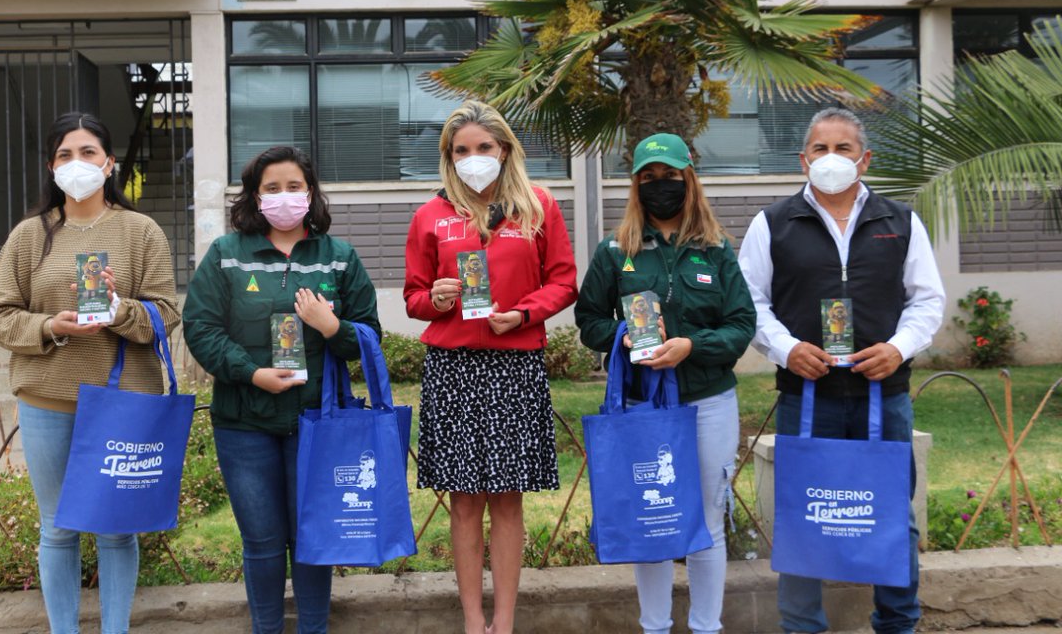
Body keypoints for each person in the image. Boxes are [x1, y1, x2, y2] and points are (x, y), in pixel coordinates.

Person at [737, 107, 945, 634]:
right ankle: (802, 627)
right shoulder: (773, 224)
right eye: (821, 149)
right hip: (808, 397)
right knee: (804, 514)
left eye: (844, 148)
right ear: (802, 159)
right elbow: (750, 302)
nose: (832, 159)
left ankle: (898, 624)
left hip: (884, 396)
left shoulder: (900, 221)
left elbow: (927, 301)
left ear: (865, 158)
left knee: (894, 515)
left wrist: (897, 348)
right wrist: (786, 350)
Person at [0, 111, 179, 634]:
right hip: (47, 400)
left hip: (123, 401)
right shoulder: (29, 236)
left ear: (110, 163)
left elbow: (166, 313)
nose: (77, 163)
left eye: (88, 152)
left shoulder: (141, 232)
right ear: (51, 167)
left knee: (116, 529)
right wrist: (51, 326)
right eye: (65, 154)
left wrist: (118, 310)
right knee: (58, 527)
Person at [182, 145, 380, 634]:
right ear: (255, 196)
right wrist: (251, 373)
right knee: (264, 542)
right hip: (244, 422)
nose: (284, 197)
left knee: (312, 536)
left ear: (310, 193)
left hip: (317, 423)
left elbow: (368, 337)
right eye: (272, 188)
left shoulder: (338, 257)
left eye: (294, 187)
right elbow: (201, 328)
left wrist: (332, 326)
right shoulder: (227, 255)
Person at [403, 100, 578, 634]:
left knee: (506, 501)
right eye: (461, 150)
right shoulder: (429, 216)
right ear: (447, 157)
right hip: (453, 368)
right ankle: (471, 620)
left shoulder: (538, 207)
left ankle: (503, 622)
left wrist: (525, 313)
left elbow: (564, 280)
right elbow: (413, 297)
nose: (473, 158)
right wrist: (434, 298)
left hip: (513, 367)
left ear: (504, 150)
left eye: (483, 148)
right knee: (463, 503)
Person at [574, 132, 756, 634]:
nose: (661, 186)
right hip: (642, 403)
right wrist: (623, 336)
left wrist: (692, 346)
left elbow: (741, 324)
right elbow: (587, 317)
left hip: (708, 401)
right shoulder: (616, 251)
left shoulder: (715, 250)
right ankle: (654, 627)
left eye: (670, 176)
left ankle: (706, 626)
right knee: (649, 519)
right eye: (649, 178)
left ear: (688, 179)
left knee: (706, 520)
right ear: (636, 185)